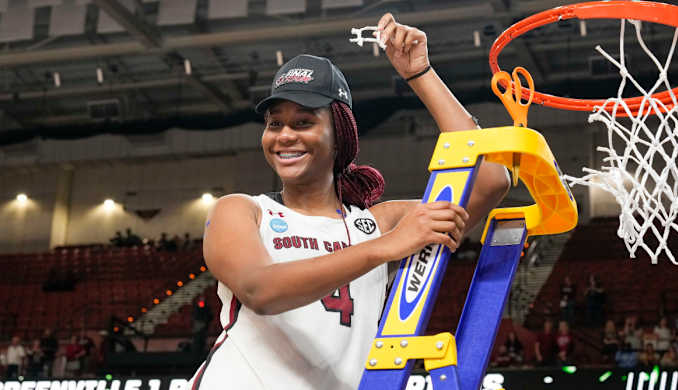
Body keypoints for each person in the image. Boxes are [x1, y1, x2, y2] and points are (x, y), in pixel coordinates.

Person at [187, 13, 510, 390]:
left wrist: (420, 74)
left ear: (339, 135)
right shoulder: (242, 209)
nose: (284, 136)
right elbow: (261, 290)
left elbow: (489, 178)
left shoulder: (377, 222)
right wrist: (384, 248)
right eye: (275, 124)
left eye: (303, 122)